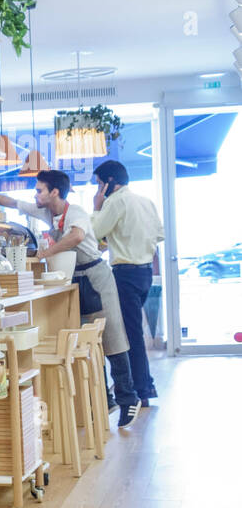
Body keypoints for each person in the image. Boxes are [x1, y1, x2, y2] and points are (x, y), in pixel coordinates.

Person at [0, 169, 141, 427]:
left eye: (39, 190)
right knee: (88, 339)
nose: (35, 194)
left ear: (55, 192)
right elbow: (16, 204)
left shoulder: (76, 212)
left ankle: (129, 399)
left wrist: (45, 253)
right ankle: (106, 400)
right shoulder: (46, 211)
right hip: (74, 278)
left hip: (95, 275)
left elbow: (77, 236)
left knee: (112, 338)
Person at [91, 160, 164, 407]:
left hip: (125, 275)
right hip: (144, 273)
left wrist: (97, 207)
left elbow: (94, 231)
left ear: (110, 182)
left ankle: (141, 390)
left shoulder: (115, 201)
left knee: (129, 335)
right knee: (134, 331)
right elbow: (160, 234)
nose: (98, 189)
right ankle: (143, 385)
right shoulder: (146, 201)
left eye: (99, 184)